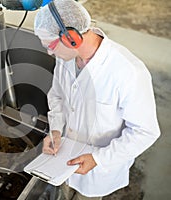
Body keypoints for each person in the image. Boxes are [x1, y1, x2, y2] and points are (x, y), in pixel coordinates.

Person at [34, 0, 161, 199]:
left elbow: (145, 132)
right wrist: (56, 129)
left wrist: (98, 159)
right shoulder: (66, 57)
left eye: (50, 46)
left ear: (71, 38)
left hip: (99, 170)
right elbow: (57, 95)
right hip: (64, 160)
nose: (49, 52)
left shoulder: (128, 72)